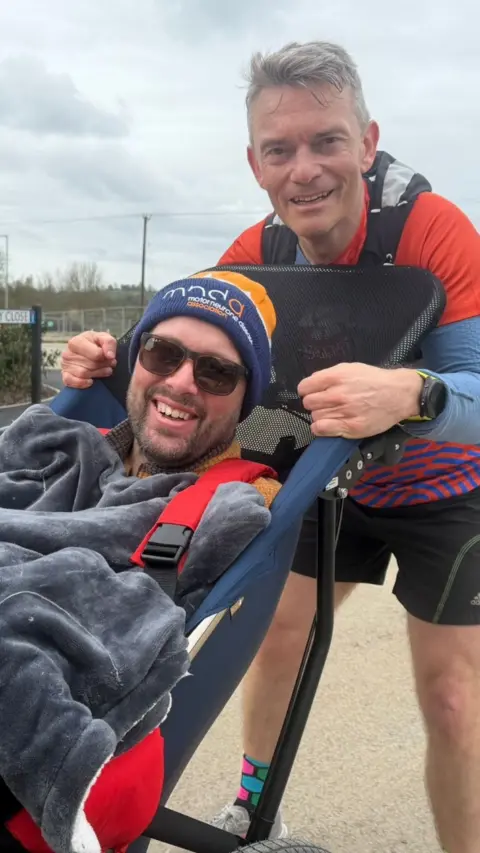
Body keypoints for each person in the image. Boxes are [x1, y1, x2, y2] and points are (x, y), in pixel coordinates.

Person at [60, 41, 480, 853]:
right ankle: (258, 808)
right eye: (280, 150)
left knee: (454, 694)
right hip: (328, 473)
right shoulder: (260, 252)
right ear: (255, 164)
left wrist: (415, 394)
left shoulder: (436, 231)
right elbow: (188, 364)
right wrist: (108, 363)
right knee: (271, 629)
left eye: (326, 141)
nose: (306, 170)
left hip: (445, 487)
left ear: (366, 141)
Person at [0, 269, 280, 853]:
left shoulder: (236, 501)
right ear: (136, 361)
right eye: (162, 352)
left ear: (246, 396)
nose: (181, 382)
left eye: (217, 371)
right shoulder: (65, 447)